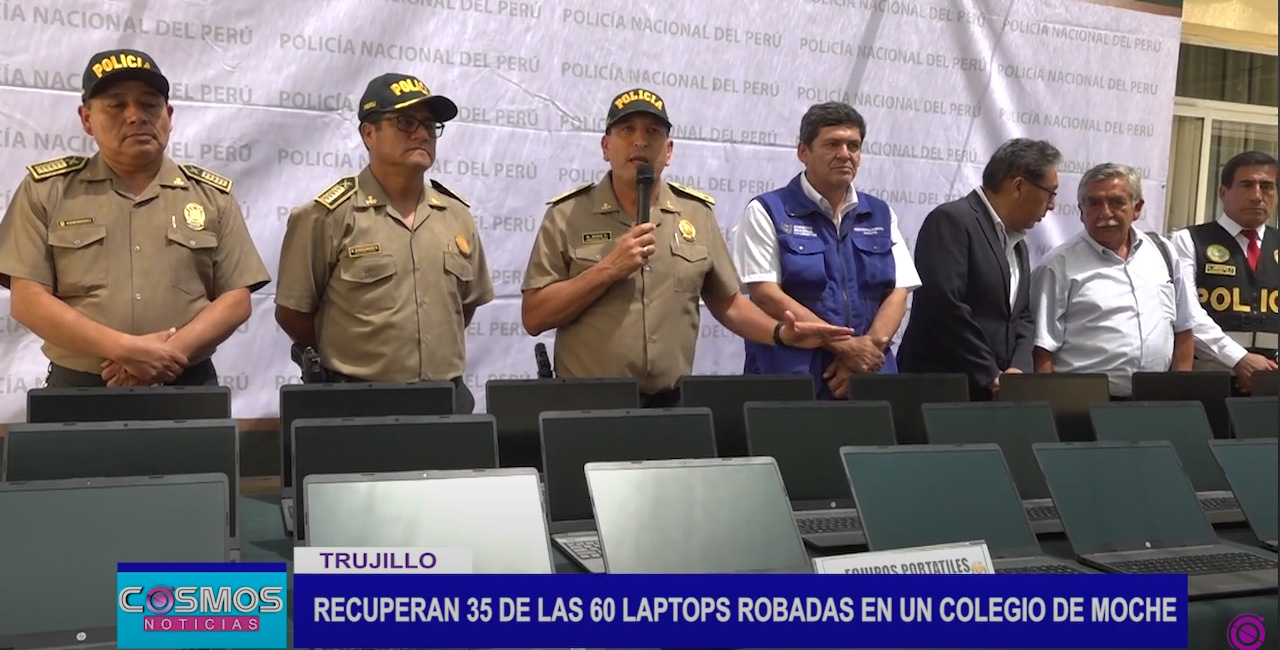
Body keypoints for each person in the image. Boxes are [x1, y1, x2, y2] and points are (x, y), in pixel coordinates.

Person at [520, 87, 854, 407]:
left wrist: (780, 334)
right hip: (586, 405)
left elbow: (729, 304)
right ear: (606, 147)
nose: (640, 140)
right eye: (626, 130)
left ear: (668, 151)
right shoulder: (567, 215)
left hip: (671, 405)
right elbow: (534, 317)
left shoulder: (696, 214)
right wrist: (608, 269)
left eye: (653, 132)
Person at [0, 49, 270, 388]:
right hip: (81, 387)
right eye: (116, 105)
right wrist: (125, 350)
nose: (135, 116)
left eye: (149, 104)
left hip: (185, 382)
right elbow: (28, 301)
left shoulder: (211, 197)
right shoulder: (47, 191)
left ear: (168, 116)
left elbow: (236, 298)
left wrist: (166, 355)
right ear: (86, 119)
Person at [274, 73, 491, 414]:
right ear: (369, 133)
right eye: (405, 122)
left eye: (429, 125)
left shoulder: (456, 216)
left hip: (447, 399)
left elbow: (464, 306)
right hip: (359, 403)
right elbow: (292, 312)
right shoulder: (326, 216)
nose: (421, 134)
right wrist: (354, 357)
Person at [733, 102, 920, 399]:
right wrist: (846, 347)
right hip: (794, 377)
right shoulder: (767, 210)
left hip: (868, 374)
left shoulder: (880, 213)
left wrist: (865, 352)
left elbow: (898, 292)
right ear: (803, 151)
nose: (845, 154)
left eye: (853, 146)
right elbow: (765, 293)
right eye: (832, 144)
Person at [897, 138, 1061, 400]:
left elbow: (1022, 316)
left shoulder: (1018, 243)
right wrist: (990, 374)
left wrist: (1018, 369)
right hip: (945, 393)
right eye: (1050, 193)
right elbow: (944, 306)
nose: (1052, 205)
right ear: (1019, 186)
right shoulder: (952, 221)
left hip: (998, 393)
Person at [1030, 163, 1196, 398]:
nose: (1105, 213)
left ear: (1137, 208)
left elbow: (1184, 330)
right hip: (1085, 403)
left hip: (1156, 401)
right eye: (1094, 203)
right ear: (1081, 211)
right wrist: (1053, 406)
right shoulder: (1057, 266)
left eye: (1117, 202)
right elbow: (1042, 351)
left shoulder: (1163, 253)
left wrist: (1179, 396)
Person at [1170, 150, 1279, 393]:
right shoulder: (1189, 240)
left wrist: (1269, 368)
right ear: (1223, 192)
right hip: (1209, 381)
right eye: (1246, 185)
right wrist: (1240, 359)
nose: (1257, 196)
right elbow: (1187, 313)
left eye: (1267, 187)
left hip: (1272, 381)